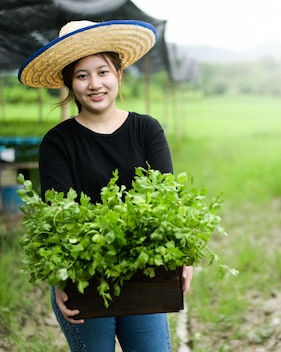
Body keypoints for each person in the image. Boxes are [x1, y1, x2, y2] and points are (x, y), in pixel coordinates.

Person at [18, 19, 193, 352]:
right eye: (82, 75)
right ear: (69, 83)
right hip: (84, 279)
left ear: (119, 74)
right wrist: (60, 278)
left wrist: (185, 259)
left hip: (145, 275)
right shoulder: (58, 142)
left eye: (103, 71)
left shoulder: (146, 130)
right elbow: (57, 218)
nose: (94, 84)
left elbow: (168, 203)